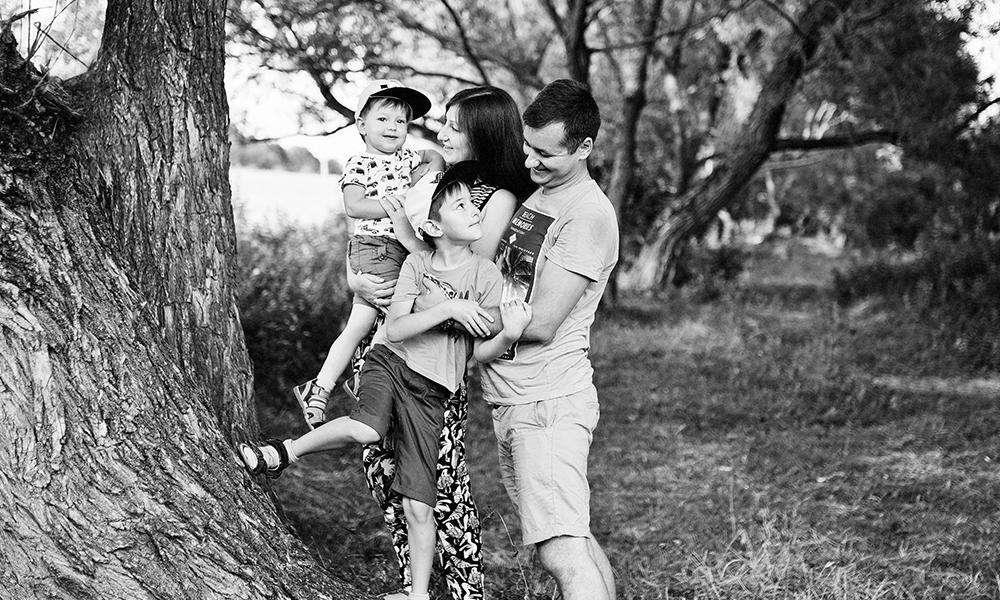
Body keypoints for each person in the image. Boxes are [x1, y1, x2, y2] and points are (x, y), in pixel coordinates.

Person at [239, 176, 531, 600]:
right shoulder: (415, 267)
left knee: (420, 506)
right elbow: (396, 326)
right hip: (390, 362)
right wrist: (448, 307)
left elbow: (475, 353)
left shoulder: (487, 276)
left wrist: (508, 336)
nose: (475, 211)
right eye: (462, 205)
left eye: (475, 205)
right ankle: (283, 452)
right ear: (432, 227)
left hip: (433, 393)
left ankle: (417, 596)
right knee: (368, 429)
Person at [349, 87, 535, 600]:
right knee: (384, 465)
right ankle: (420, 586)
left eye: (454, 126)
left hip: (435, 358)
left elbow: (463, 279)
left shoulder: (493, 198)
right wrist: (358, 281)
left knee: (439, 483)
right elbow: (378, 242)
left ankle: (465, 590)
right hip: (394, 337)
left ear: (483, 133)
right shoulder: (438, 182)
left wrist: (412, 250)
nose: (442, 134)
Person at [482, 79, 619, 600]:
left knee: (560, 550)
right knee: (572, 537)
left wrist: (446, 315)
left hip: (546, 402)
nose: (530, 160)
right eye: (526, 146)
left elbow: (540, 322)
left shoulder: (587, 213)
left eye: (545, 153)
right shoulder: (545, 194)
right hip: (519, 398)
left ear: (583, 148)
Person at [293, 79, 443, 430]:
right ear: (361, 124)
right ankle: (363, 379)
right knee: (399, 316)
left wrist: (432, 168)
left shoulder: (407, 158)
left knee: (359, 324)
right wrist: (398, 209)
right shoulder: (360, 163)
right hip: (373, 249)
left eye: (401, 122)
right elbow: (354, 205)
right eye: (383, 119)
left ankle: (321, 387)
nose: (393, 128)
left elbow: (435, 155)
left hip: (400, 250)